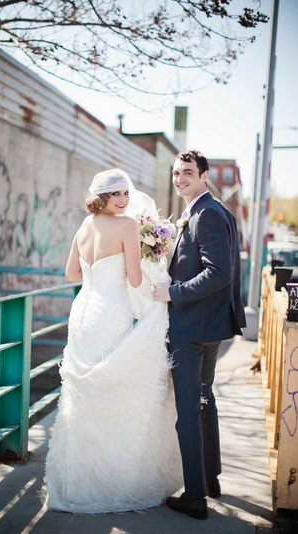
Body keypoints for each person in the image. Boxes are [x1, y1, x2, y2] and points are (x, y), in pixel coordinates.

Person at [43, 168, 182, 514]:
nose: (123, 200)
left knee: (86, 392)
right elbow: (135, 280)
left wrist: (100, 273)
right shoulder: (127, 226)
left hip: (82, 314)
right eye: (116, 194)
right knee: (112, 389)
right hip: (110, 314)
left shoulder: (84, 225)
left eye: (125, 193)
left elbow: (72, 274)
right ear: (102, 197)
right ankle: (111, 478)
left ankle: (78, 479)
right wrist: (153, 260)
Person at [153, 150, 246, 520]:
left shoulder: (206, 213)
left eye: (188, 173)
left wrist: (173, 293)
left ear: (205, 176)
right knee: (205, 399)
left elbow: (219, 272)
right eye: (176, 173)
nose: (180, 179)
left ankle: (194, 498)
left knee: (188, 411)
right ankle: (209, 479)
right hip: (209, 325)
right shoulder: (210, 211)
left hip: (191, 327)